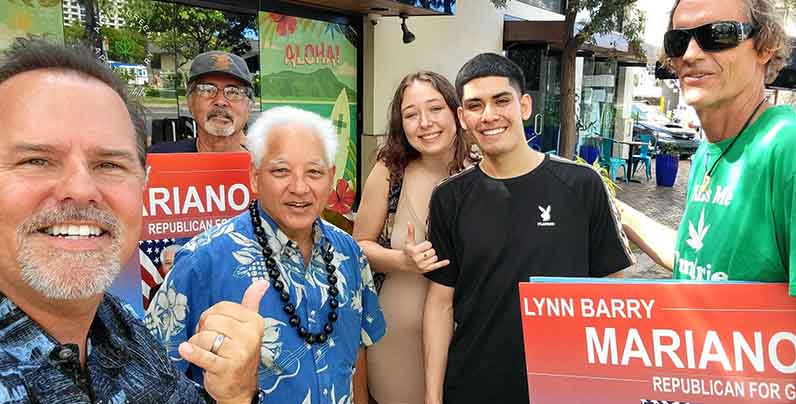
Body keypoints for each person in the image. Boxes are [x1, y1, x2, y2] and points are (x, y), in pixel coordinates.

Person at [0, 39, 268, 403]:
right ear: (190, 101)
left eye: (109, 164)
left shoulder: (126, 332)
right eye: (36, 160)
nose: (80, 189)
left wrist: (236, 395)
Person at [423, 53, 634, 404]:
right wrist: (432, 396)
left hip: (564, 387)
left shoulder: (581, 185)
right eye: (475, 105)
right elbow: (440, 304)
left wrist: (609, 386)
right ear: (462, 118)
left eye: (501, 100)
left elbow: (612, 291)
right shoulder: (448, 198)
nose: (488, 116)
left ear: (524, 106)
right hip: (474, 385)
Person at [146, 106, 386, 402]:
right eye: (281, 171)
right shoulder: (202, 262)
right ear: (255, 177)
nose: (299, 188)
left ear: (331, 178)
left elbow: (357, 354)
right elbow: (149, 377)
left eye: (314, 172)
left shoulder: (349, 253)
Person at [619, 0, 796, 295]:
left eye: (718, 34)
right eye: (678, 41)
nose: (689, 55)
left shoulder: (789, 147)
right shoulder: (707, 153)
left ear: (766, 45)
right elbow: (696, 261)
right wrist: (613, 207)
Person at [353, 71, 473, 404]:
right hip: (397, 343)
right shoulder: (390, 170)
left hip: (471, 339)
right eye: (411, 114)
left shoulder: (484, 170)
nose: (425, 122)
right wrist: (402, 261)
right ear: (400, 123)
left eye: (435, 109)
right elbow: (358, 246)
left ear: (456, 112)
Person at [149, 51, 253, 153]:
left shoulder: (262, 166)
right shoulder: (161, 160)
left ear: (249, 108)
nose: (220, 101)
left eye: (233, 92)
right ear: (190, 103)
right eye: (207, 90)